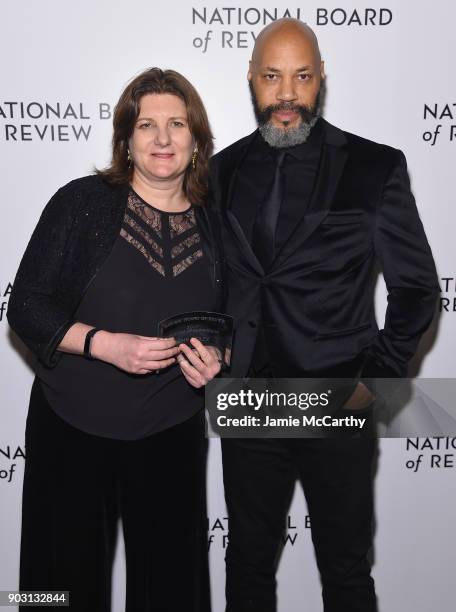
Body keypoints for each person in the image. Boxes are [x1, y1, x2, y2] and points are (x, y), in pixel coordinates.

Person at [209, 19, 439, 612]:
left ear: (320, 81)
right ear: (253, 81)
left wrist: (374, 385)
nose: (286, 93)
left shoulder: (374, 167)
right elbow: (214, 281)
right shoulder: (221, 171)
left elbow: (416, 290)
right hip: (250, 402)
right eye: (272, 76)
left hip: (339, 400)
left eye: (302, 76)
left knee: (345, 572)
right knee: (248, 568)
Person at [7, 67, 223, 612]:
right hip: (72, 429)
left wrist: (222, 359)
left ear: (196, 138)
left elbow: (238, 318)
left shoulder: (218, 222)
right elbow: (25, 305)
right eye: (146, 124)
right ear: (126, 138)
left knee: (173, 590)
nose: (163, 138)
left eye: (177, 123)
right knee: (55, 589)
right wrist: (106, 344)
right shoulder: (82, 203)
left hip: (171, 432)